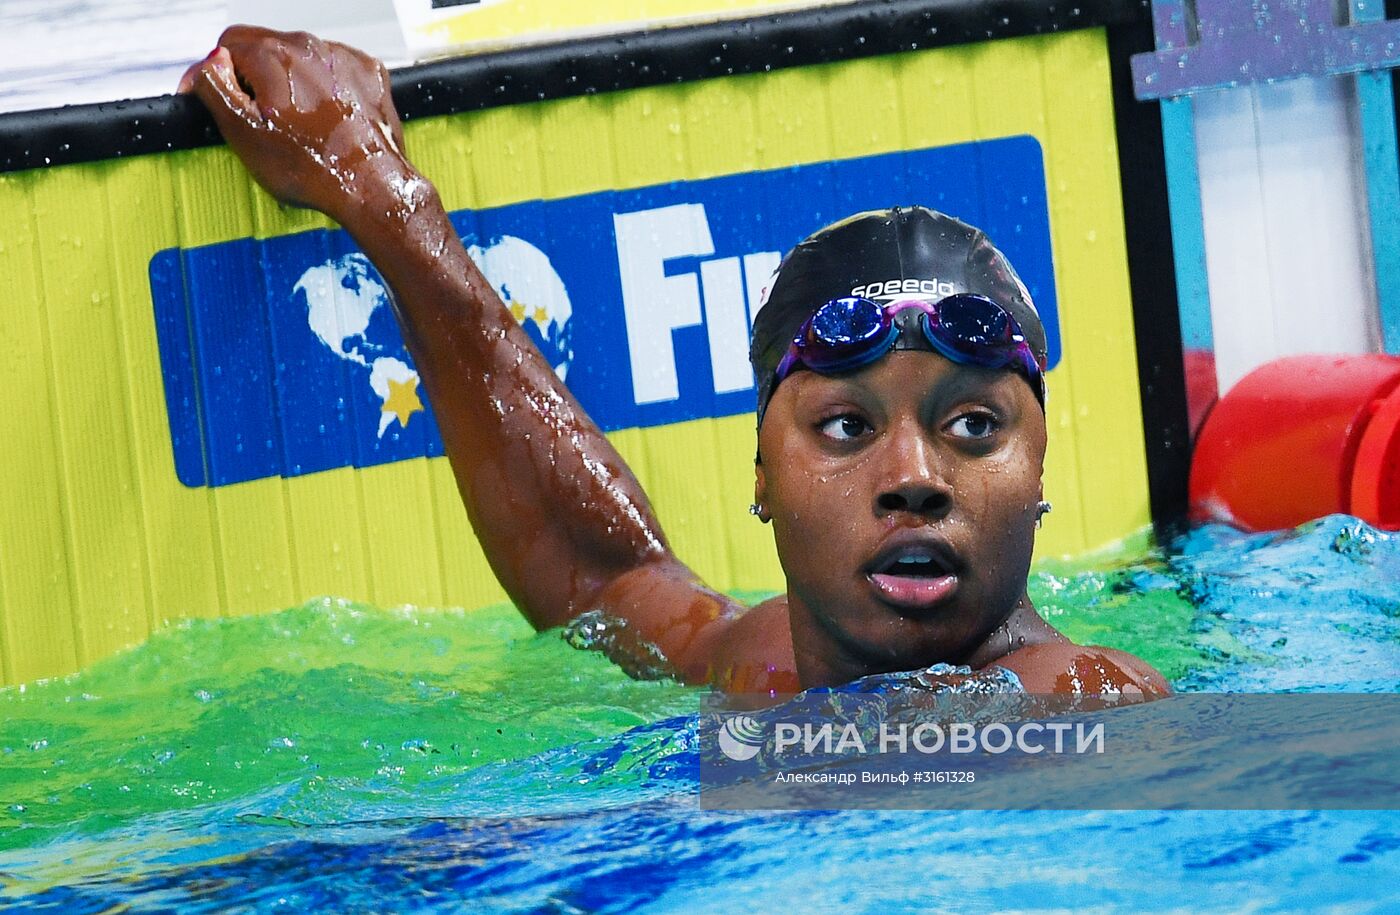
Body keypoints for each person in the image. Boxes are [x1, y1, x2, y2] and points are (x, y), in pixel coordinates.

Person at [179, 26, 1170, 700]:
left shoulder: (1089, 709)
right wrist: (383, 199)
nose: (913, 479)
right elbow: (603, 580)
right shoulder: (763, 663)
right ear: (761, 481)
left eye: (971, 428)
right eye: (843, 426)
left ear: (1038, 475)